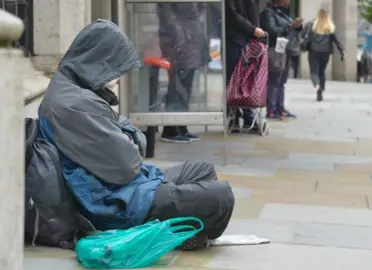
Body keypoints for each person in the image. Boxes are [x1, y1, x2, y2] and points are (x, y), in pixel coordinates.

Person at [37, 20, 234, 250]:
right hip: (114, 204)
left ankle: (181, 228)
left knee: (203, 169)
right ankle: (173, 231)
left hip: (125, 187)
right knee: (221, 197)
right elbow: (128, 165)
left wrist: (126, 134)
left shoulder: (73, 90)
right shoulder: (73, 104)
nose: (115, 77)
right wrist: (128, 135)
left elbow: (128, 139)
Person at [155, 3, 211, 143]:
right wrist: (181, 38)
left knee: (186, 86)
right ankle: (170, 129)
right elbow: (168, 17)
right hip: (181, 42)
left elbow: (200, 8)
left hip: (190, 39)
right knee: (177, 86)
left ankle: (181, 124)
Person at [226, 0, 264, 130]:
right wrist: (253, 29)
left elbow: (255, 14)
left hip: (249, 39)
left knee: (249, 80)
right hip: (235, 39)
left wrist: (255, 32)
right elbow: (232, 14)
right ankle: (234, 117)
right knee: (233, 80)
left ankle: (248, 116)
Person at [261, 0, 302, 119]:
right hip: (276, 49)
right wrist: (289, 26)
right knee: (274, 80)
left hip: (286, 49)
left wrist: (297, 26)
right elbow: (272, 30)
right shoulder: (269, 12)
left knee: (281, 81)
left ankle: (279, 108)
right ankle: (272, 109)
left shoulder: (285, 12)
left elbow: (291, 30)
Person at [302, 8, 345, 101]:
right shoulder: (330, 27)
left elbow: (304, 36)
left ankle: (317, 86)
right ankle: (322, 88)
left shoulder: (312, 25)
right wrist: (342, 51)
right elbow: (336, 41)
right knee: (321, 71)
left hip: (313, 51)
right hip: (325, 52)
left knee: (314, 71)